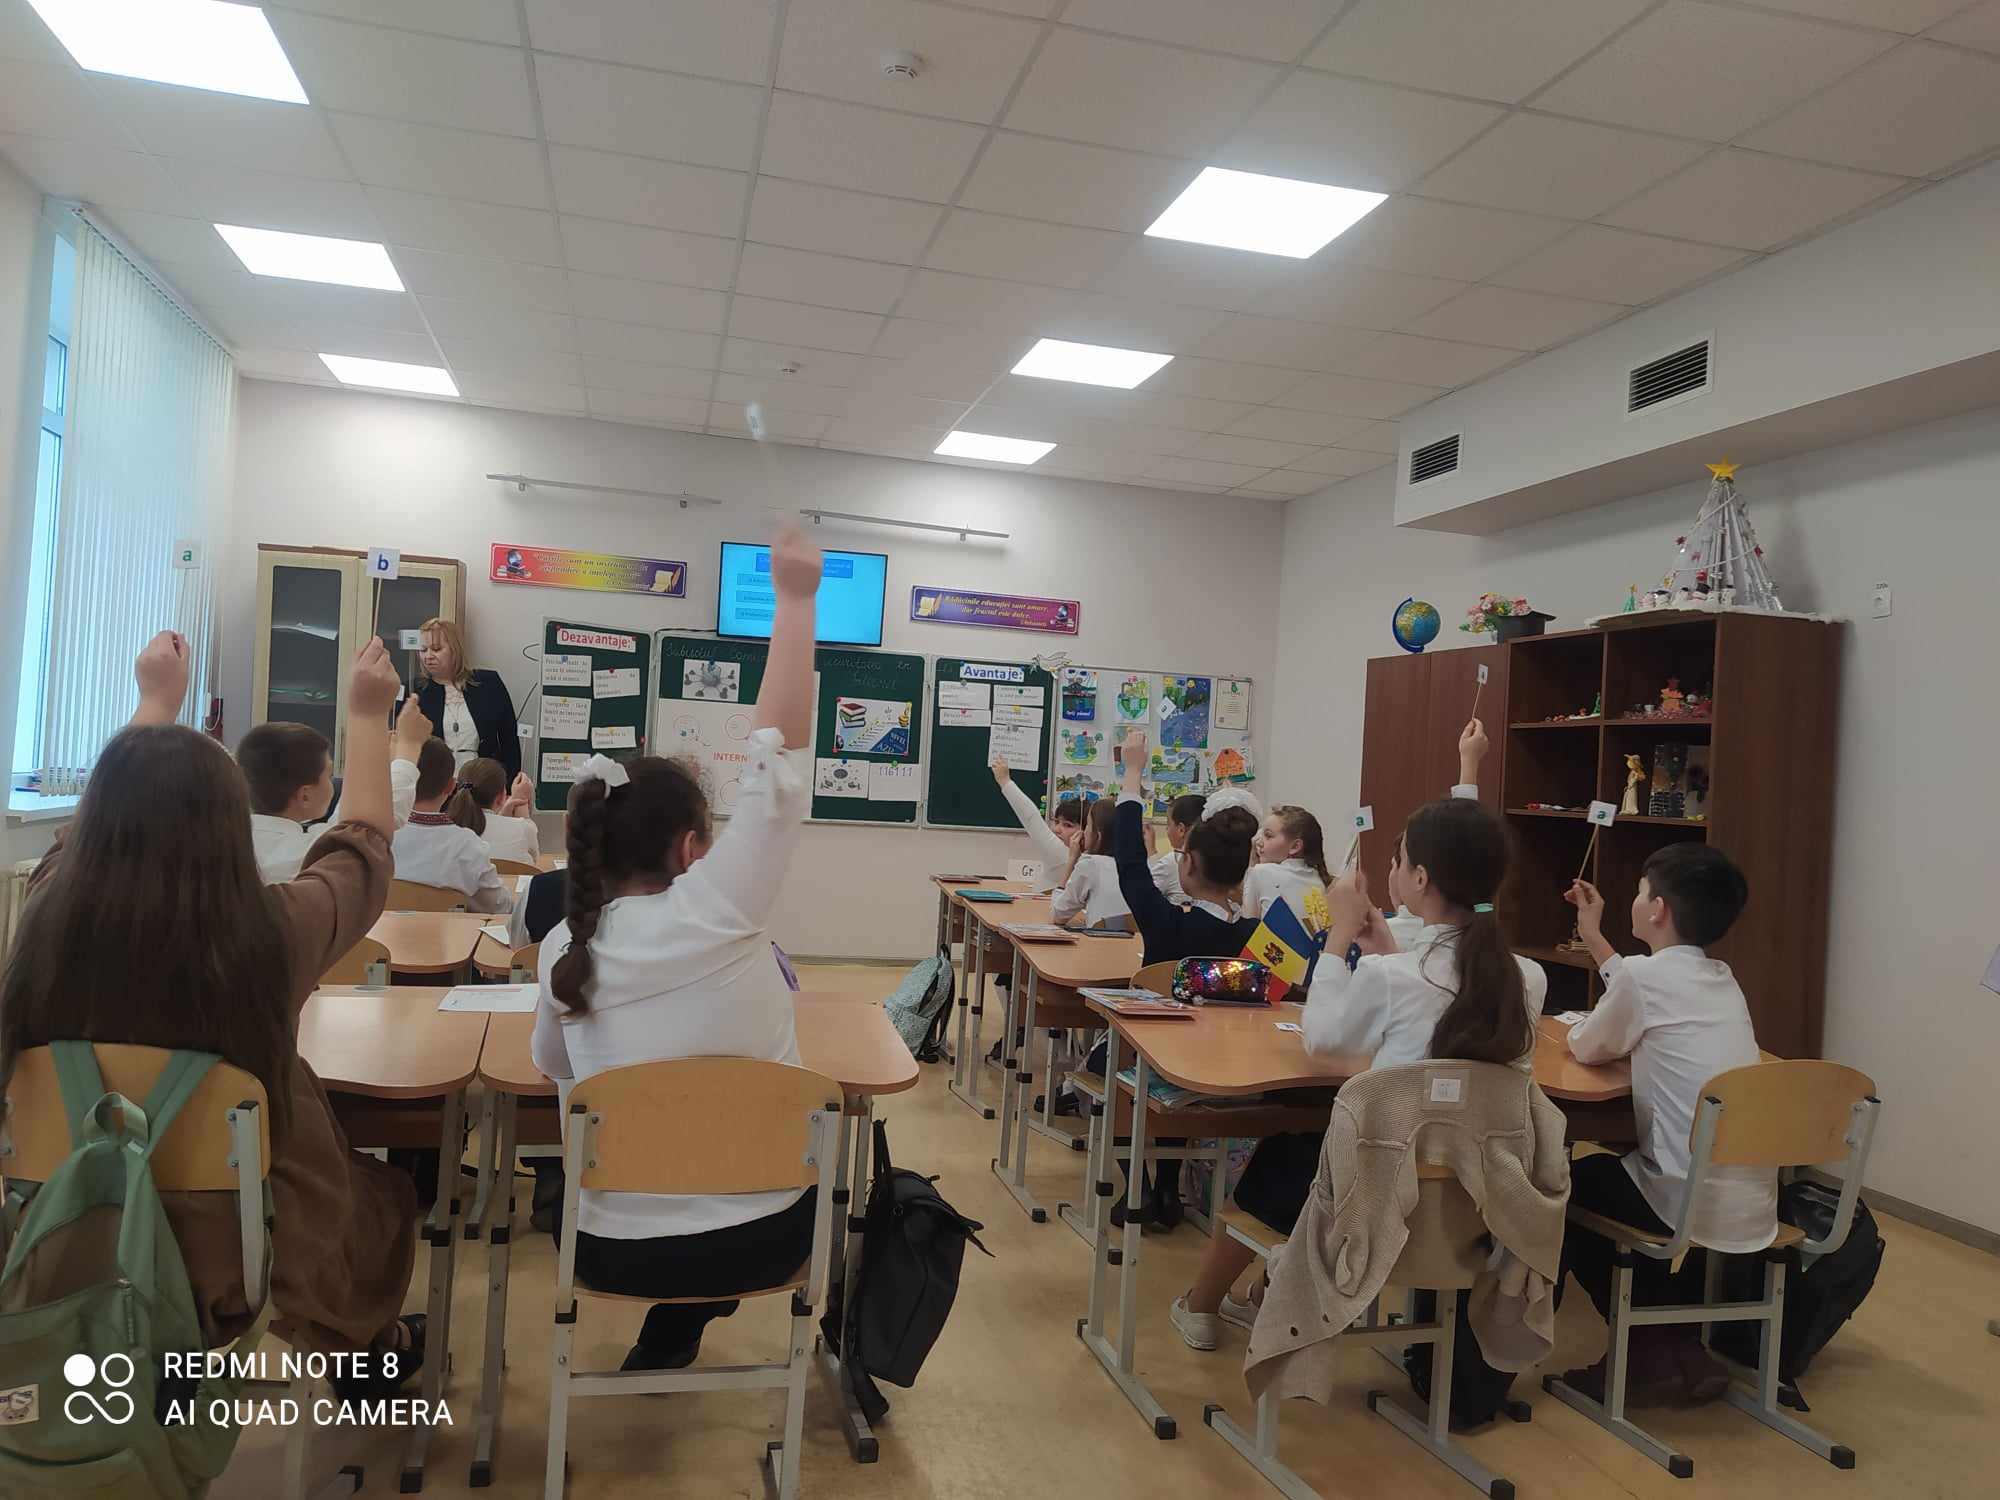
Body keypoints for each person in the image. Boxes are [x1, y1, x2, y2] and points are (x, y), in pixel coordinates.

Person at [0, 631, 423, 1385]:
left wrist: (155, 701)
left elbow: (77, 838)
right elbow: (359, 847)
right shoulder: (267, 933)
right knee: (381, 1200)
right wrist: (367, 717)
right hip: (232, 1255)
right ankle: (367, 1355)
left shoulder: (43, 918)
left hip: (54, 1234)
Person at [529, 526, 823, 1373]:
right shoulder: (721, 910)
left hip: (608, 1250)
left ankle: (670, 1329)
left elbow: (552, 1068)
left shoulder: (564, 945)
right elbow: (778, 758)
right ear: (692, 849)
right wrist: (796, 601)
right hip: (766, 1237)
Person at [1171, 718, 1548, 1350]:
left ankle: (1204, 1304)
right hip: (1475, 1205)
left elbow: (1321, 1039)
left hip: (1379, 1203)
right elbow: (1458, 895)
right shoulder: (1527, 979)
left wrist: (1341, 937)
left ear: (1419, 879)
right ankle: (1265, 1293)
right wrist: (1468, 770)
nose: (1391, 868)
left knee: (1287, 1151)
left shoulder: (1390, 975)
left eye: (1399, 860)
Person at [1558, 845, 1769, 1403]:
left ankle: (1645, 1348)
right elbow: (1639, 987)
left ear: (1657, 909)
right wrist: (1594, 936)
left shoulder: (1644, 979)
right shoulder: (1722, 978)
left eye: (1640, 891)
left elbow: (1587, 1044)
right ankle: (1678, 1344)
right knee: (1616, 1179)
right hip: (1748, 1200)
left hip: (1680, 1195)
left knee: (1567, 1187)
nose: (1635, 899)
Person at [240, 698, 428, 883]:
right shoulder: (313, 853)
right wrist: (408, 747)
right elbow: (369, 819)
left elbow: (346, 820)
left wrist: (378, 761)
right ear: (305, 796)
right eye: (328, 775)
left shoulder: (235, 841)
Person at [393, 738, 510, 913]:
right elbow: (498, 907)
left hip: (382, 930)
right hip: (448, 930)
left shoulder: (379, 836)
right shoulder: (468, 845)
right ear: (451, 787)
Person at [413, 615, 520, 779]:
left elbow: (509, 739)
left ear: (455, 649)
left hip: (485, 783)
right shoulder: (414, 691)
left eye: (436, 649)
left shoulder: (489, 683)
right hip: (434, 785)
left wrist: (510, 784)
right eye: (423, 650)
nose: (428, 656)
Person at [991, 755, 1086, 890]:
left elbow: (1031, 817)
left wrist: (1005, 781)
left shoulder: (1062, 854)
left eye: (1068, 825)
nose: (1057, 829)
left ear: (1086, 831)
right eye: (1057, 822)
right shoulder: (1090, 858)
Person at [1051, 798, 1130, 928]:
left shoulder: (1090, 864)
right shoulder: (1137, 865)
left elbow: (1058, 915)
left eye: (1087, 825)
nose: (1084, 832)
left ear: (1097, 835)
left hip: (1100, 938)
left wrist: (1072, 860)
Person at [450, 755, 540, 866]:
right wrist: (522, 803)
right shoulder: (523, 828)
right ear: (502, 796)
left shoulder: (444, 830)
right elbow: (534, 862)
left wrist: (503, 817)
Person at [1149, 793, 1205, 905]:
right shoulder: (1217, 855)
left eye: (1168, 824)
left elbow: (1143, 897)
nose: (1167, 829)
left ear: (1181, 830)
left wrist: (1151, 851)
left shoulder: (1174, 861)